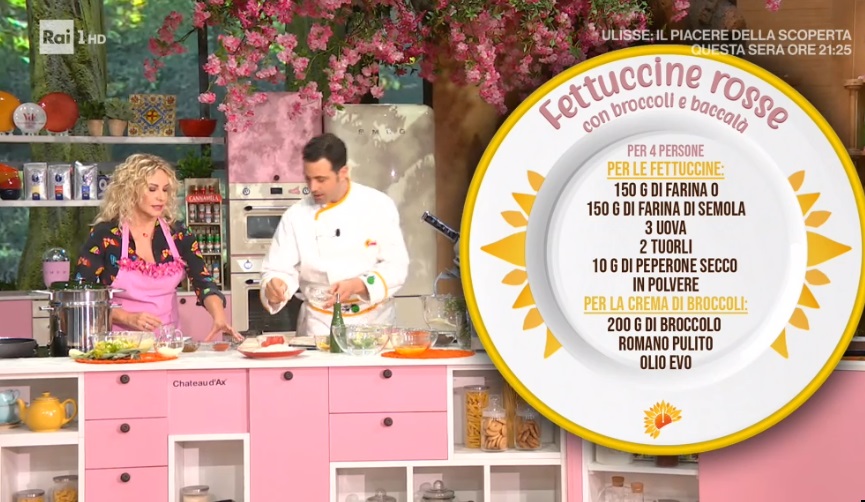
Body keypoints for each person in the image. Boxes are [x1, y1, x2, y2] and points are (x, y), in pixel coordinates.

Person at [74, 153, 240, 342]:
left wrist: (219, 317)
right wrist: (126, 317)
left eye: (165, 190)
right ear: (130, 190)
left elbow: (204, 282)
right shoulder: (106, 235)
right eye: (152, 189)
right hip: (118, 345)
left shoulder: (178, 234)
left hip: (167, 343)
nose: (161, 197)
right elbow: (82, 294)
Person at [260, 133, 410, 337]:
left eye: (321, 179)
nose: (313, 188)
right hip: (319, 324)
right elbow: (278, 269)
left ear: (343, 172)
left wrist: (359, 285)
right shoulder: (295, 216)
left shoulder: (378, 205)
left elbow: (396, 265)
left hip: (374, 323)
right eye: (308, 179)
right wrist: (275, 286)